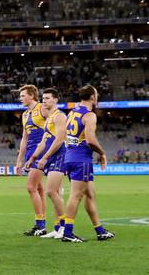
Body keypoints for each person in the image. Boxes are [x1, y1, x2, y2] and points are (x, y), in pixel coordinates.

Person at [61, 85, 115, 242]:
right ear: (92, 97)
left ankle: (100, 231)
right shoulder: (89, 115)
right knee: (76, 195)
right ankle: (68, 232)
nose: (97, 99)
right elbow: (91, 140)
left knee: (90, 194)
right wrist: (102, 153)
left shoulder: (72, 112)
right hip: (81, 159)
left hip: (70, 157)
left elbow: (67, 136)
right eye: (96, 96)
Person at [25, 88, 67, 239]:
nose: (44, 100)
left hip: (60, 155)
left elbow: (60, 139)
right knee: (54, 192)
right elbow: (43, 142)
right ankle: (58, 227)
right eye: (43, 98)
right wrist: (33, 158)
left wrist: (45, 157)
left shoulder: (60, 116)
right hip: (51, 157)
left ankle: (65, 226)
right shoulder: (49, 118)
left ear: (55, 100)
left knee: (51, 192)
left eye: (48, 98)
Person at [15, 85, 49, 236]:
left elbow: (54, 127)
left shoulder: (42, 108)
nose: (20, 98)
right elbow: (24, 138)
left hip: (41, 152)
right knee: (39, 188)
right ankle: (42, 223)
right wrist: (19, 160)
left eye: (22, 96)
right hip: (30, 153)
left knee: (31, 187)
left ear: (32, 96)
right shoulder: (24, 115)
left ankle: (40, 225)